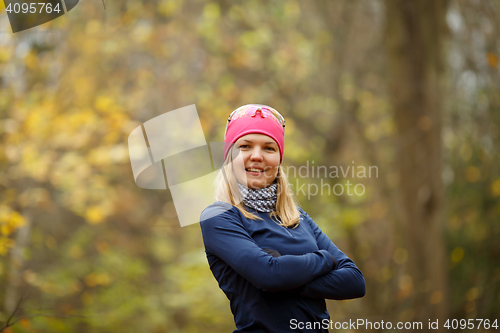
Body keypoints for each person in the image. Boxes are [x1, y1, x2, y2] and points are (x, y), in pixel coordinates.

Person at [200, 104, 365, 333]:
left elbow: (355, 281)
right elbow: (269, 276)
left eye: (268, 148)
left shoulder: (299, 218)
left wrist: (284, 276)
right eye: (245, 146)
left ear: (279, 159)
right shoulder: (219, 217)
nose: (256, 156)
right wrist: (325, 259)